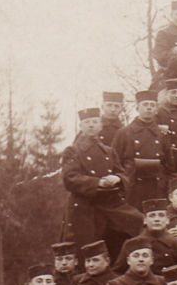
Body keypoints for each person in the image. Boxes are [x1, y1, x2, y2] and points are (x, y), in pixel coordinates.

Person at [59, 107, 144, 258]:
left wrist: (118, 179)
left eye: (94, 122)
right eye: (87, 122)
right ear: (81, 126)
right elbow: (69, 179)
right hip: (85, 206)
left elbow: (123, 174)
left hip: (109, 204)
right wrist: (98, 183)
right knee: (86, 250)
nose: (91, 125)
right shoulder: (73, 151)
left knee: (138, 223)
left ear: (100, 125)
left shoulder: (109, 151)